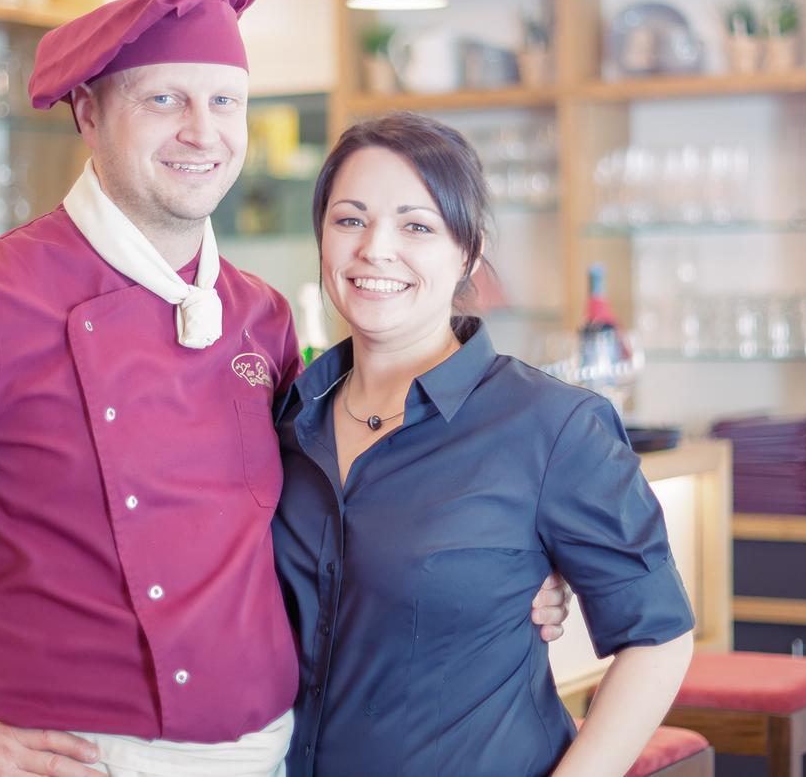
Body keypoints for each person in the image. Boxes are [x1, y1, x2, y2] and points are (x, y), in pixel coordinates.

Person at [0, 0, 570, 777]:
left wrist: (499, 574)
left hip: (274, 753)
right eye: (165, 98)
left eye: (226, 102)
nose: (204, 132)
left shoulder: (257, 313)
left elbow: (329, 510)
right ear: (88, 113)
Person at [272, 112, 696, 776]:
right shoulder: (290, 417)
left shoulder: (551, 426)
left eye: (417, 225)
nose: (375, 248)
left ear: (466, 252)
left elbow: (659, 637)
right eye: (350, 219)